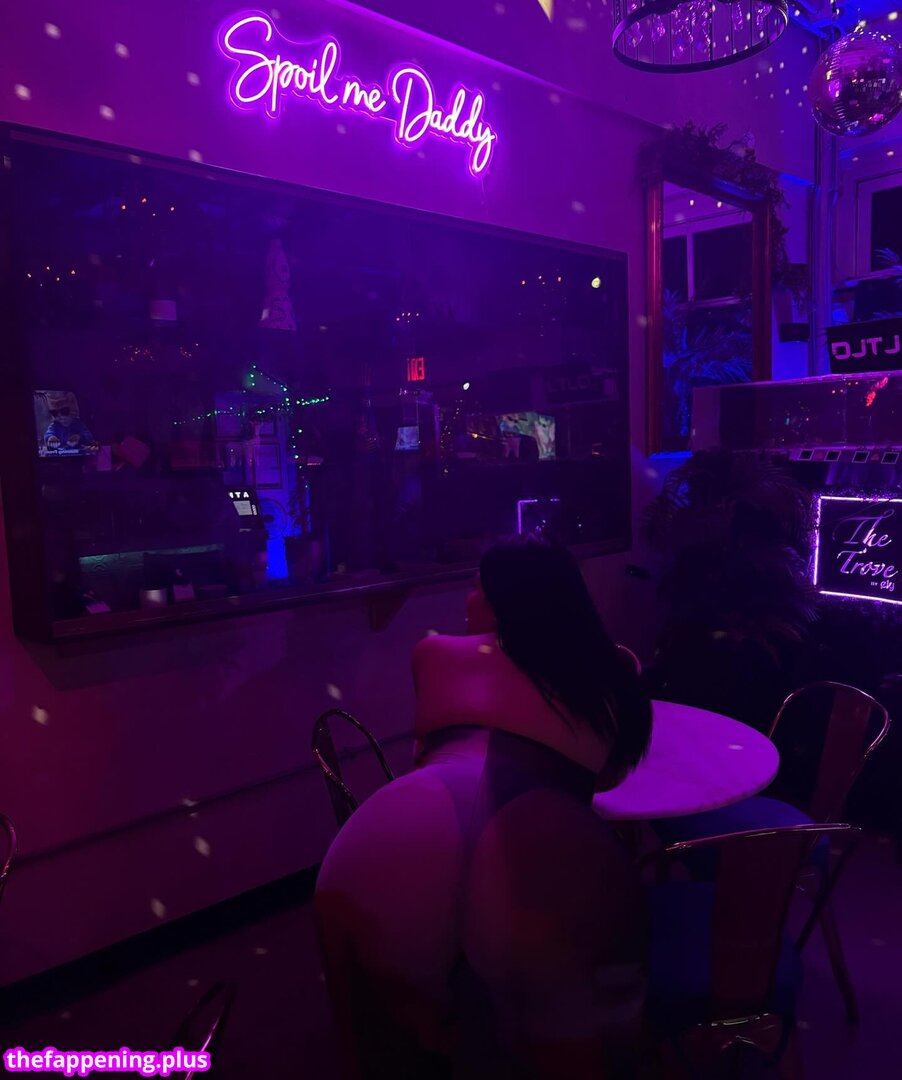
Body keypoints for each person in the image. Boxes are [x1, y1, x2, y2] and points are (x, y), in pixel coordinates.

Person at [315, 536, 653, 1078]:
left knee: (382, 1042)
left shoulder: (434, 655)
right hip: (527, 851)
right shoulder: (611, 675)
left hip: (371, 846)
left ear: (503, 600)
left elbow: (427, 752)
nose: (466, 600)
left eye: (476, 588)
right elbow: (606, 781)